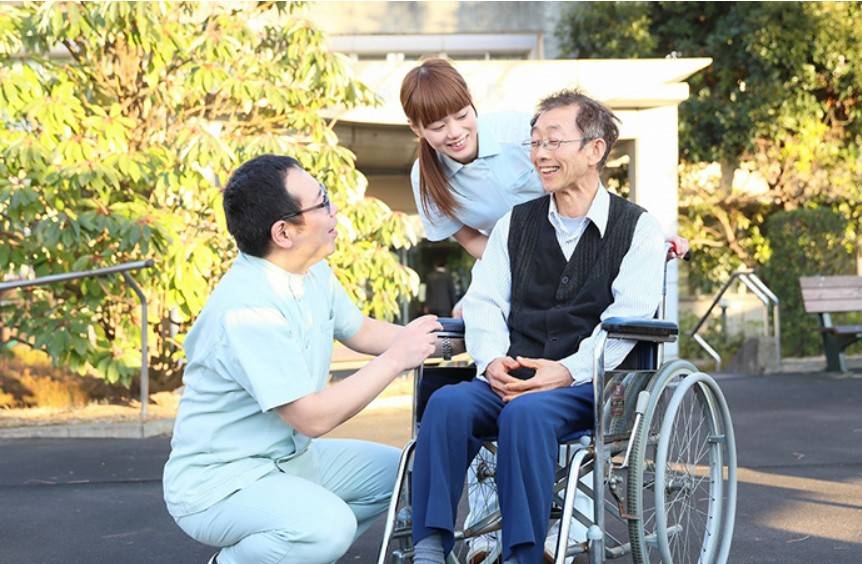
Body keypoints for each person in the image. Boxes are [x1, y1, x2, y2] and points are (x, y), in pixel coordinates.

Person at [400, 57, 687, 561]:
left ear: (595, 150)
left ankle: (524, 552)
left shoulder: (637, 228)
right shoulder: (514, 224)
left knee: (527, 415)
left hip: (588, 382)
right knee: (446, 404)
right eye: (536, 143)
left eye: (554, 142)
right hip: (514, 369)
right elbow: (486, 299)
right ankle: (429, 543)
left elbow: (625, 325)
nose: (539, 153)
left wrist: (564, 371)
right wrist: (491, 362)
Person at [162, 154, 442, 564]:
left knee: (406, 475)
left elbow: (360, 330)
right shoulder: (248, 310)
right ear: (284, 232)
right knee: (327, 528)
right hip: (222, 482)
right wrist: (398, 359)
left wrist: (458, 337)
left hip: (291, 460)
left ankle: (293, 549)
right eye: (323, 202)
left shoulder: (312, 273)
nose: (335, 211)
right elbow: (313, 417)